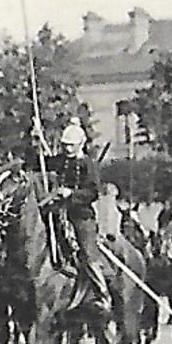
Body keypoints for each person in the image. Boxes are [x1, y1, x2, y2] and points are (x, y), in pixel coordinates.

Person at [45, 119, 109, 313]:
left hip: (81, 216)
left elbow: (94, 192)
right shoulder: (61, 161)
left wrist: (71, 194)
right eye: (65, 145)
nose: (67, 149)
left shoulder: (88, 164)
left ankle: (102, 294)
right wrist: (36, 138)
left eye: (71, 145)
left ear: (80, 144)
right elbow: (40, 162)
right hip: (58, 213)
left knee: (88, 256)